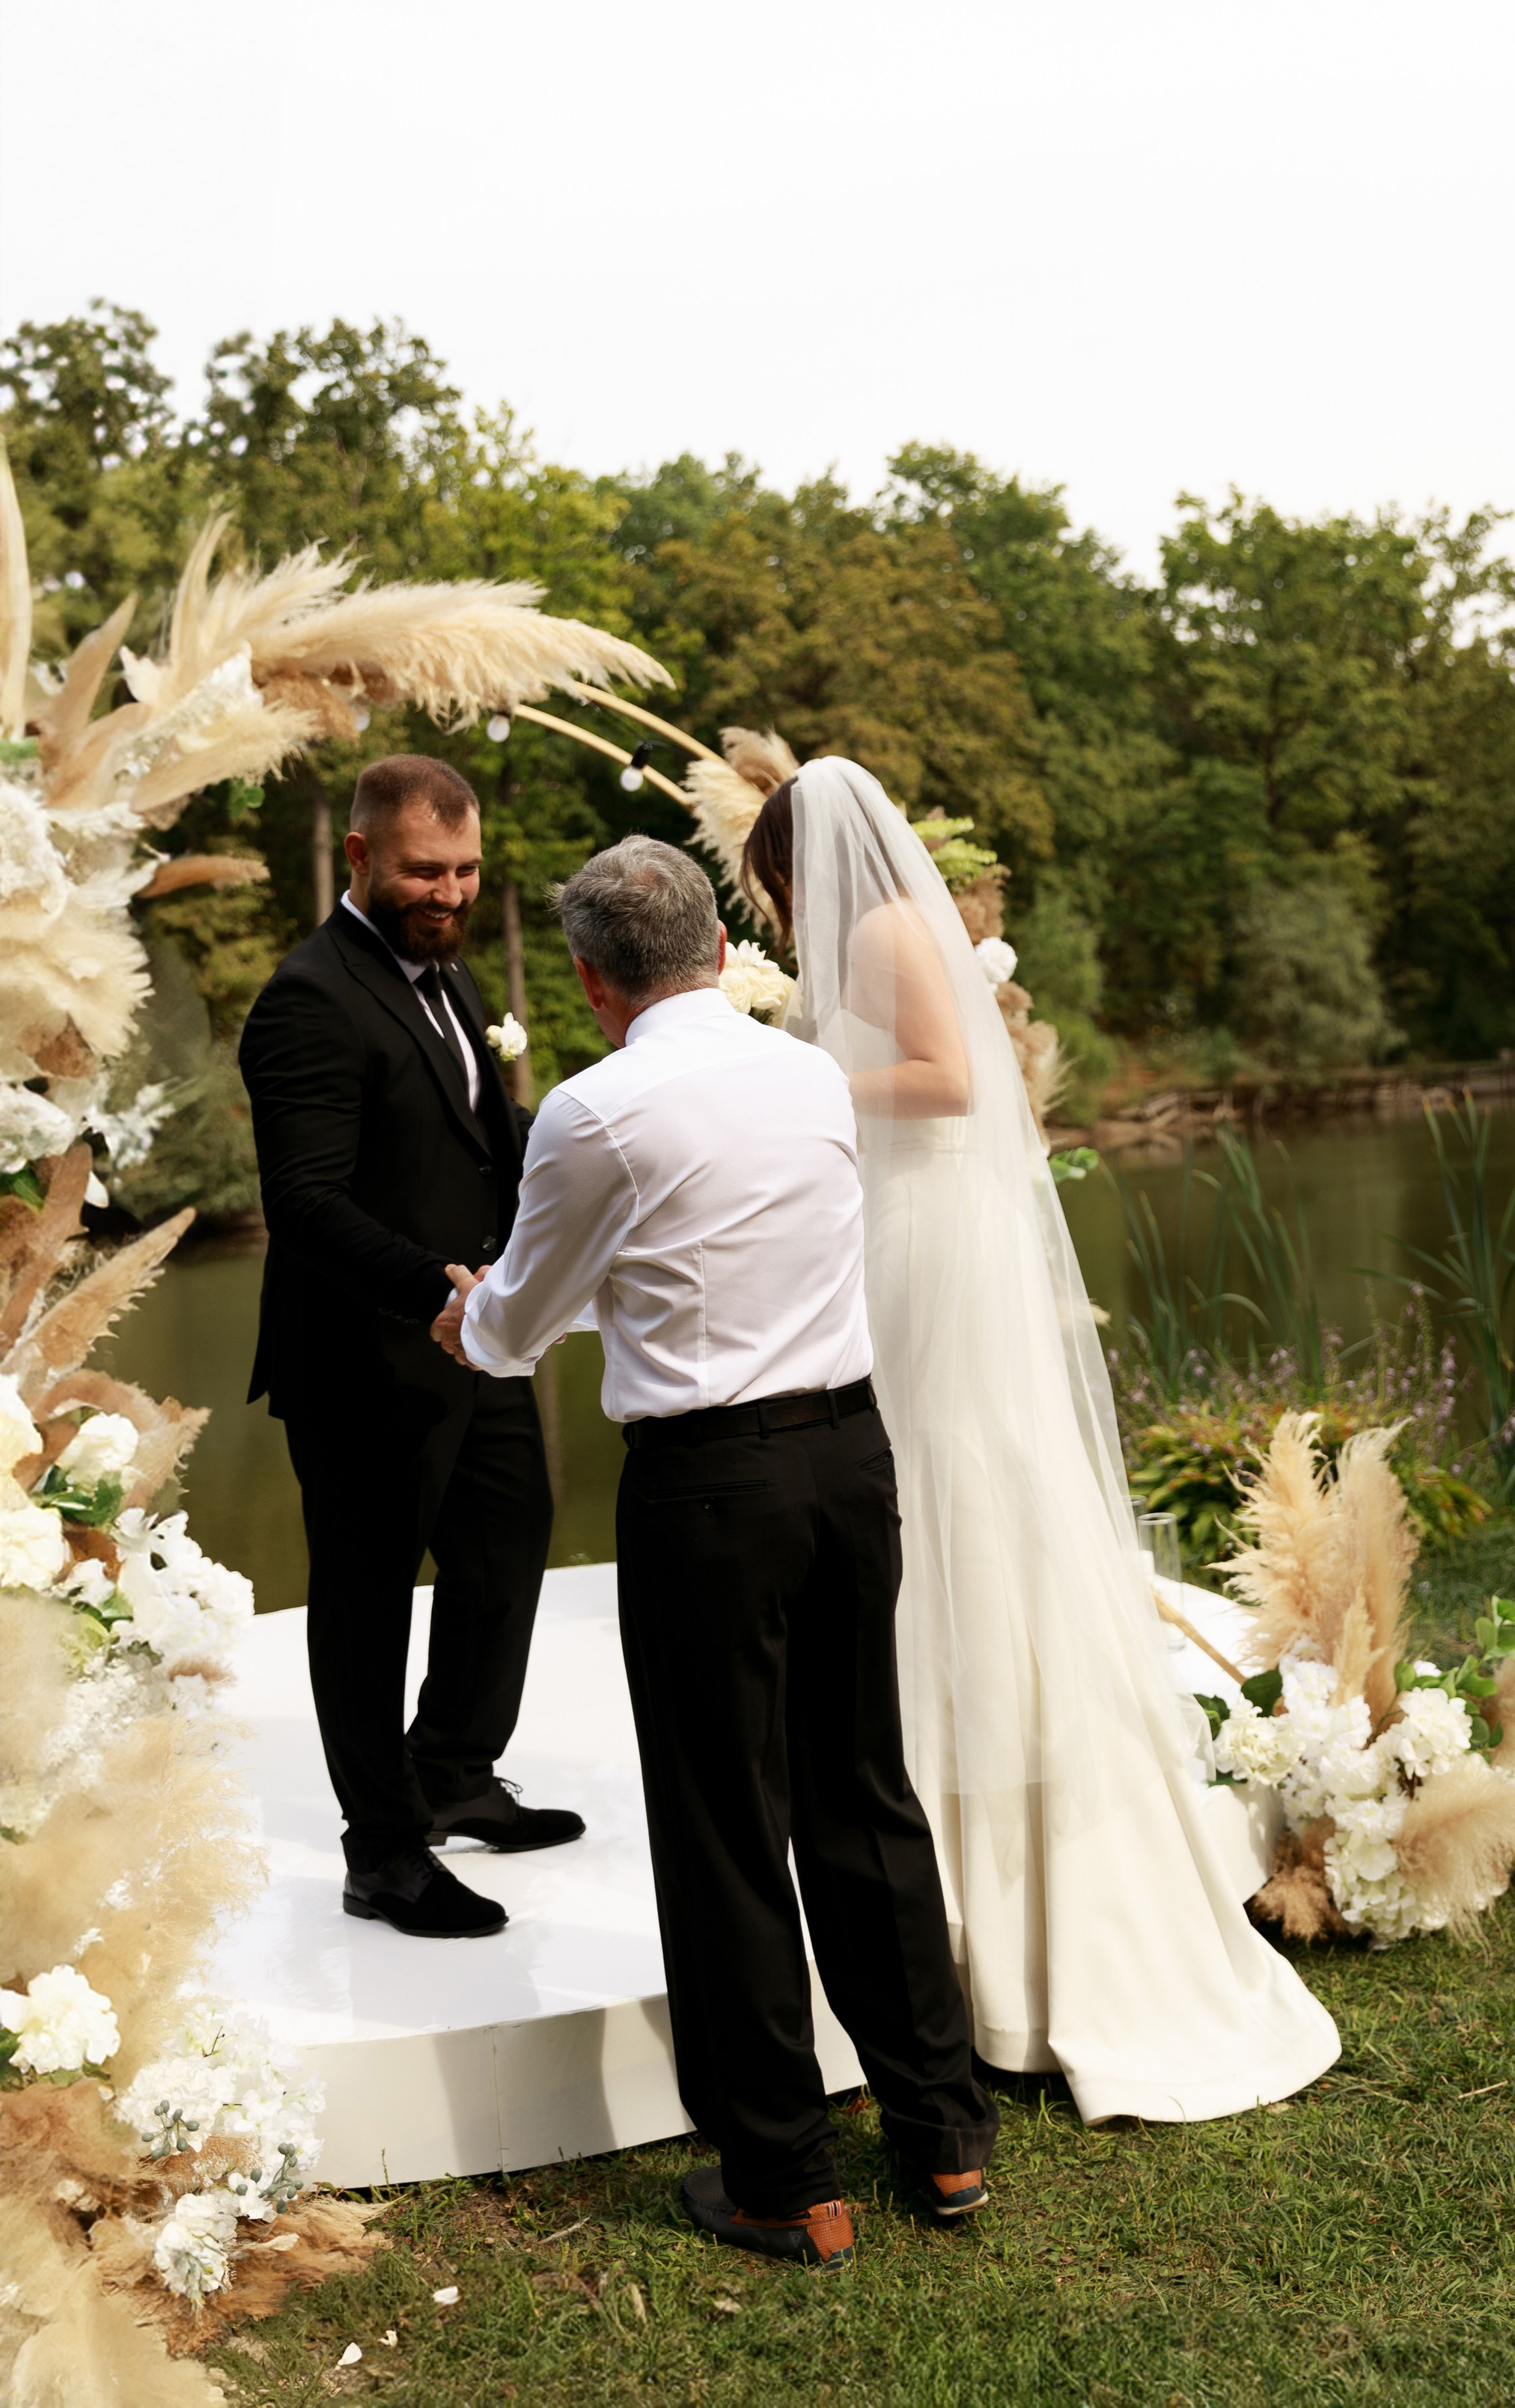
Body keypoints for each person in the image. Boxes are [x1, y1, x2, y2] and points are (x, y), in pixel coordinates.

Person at [737, 757, 1341, 2121]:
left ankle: (983, 1860)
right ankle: (936, 1841)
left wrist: (807, 1070)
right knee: (925, 1494)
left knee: (949, 1485)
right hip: (909, 1226)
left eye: (776, 882)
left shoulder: (887, 931)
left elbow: (949, 1082)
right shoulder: (882, 931)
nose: (780, 909)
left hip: (933, 1235)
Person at [440, 836, 998, 2270]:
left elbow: (515, 1327)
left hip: (708, 1491)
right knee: (864, 1795)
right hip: (849, 1462)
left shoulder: (591, 1108)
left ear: (589, 978)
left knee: (725, 1827)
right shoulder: (809, 1075)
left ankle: (785, 2179)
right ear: (710, 944)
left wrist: (473, 1314)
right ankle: (942, 2143)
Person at [239, 754, 583, 1942]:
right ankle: (381, 1852)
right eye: (422, 871)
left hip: (474, 1341)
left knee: (510, 1543)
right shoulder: (309, 997)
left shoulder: (447, 973)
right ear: (359, 858)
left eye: (466, 870)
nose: (447, 891)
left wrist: (611, 1138)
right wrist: (432, 1284)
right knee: (368, 1600)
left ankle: (451, 1771)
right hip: (362, 1358)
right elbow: (306, 1202)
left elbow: (488, 1138)